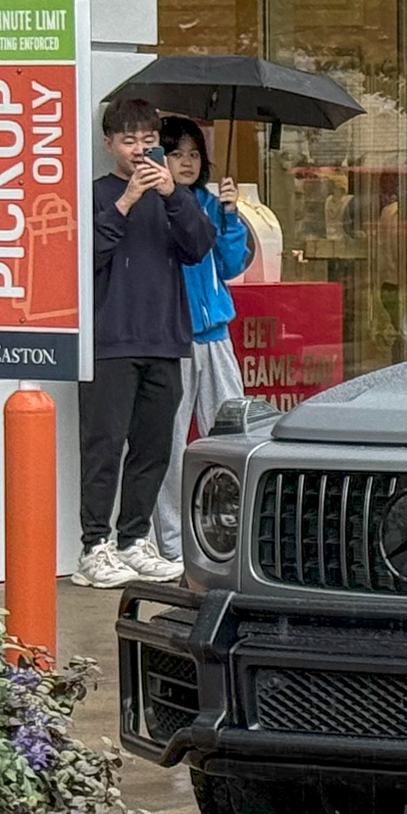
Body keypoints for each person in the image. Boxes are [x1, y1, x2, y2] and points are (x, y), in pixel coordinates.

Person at [77, 96, 216, 588]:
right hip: (110, 339)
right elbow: (86, 257)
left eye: (148, 140)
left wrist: (173, 194)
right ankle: (95, 546)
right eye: (129, 140)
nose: (141, 150)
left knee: (154, 447)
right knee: (104, 446)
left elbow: (199, 246)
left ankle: (134, 540)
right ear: (109, 144)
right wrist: (126, 200)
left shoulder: (175, 194)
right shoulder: (95, 193)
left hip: (165, 337)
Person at [148, 117, 254, 565]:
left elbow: (230, 266)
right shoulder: (154, 205)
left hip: (216, 335)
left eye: (194, 154)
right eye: (177, 154)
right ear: (160, 159)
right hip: (174, 337)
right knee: (170, 442)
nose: (187, 162)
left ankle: (235, 532)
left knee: (233, 430)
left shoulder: (211, 205)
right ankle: (170, 542)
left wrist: (230, 214)